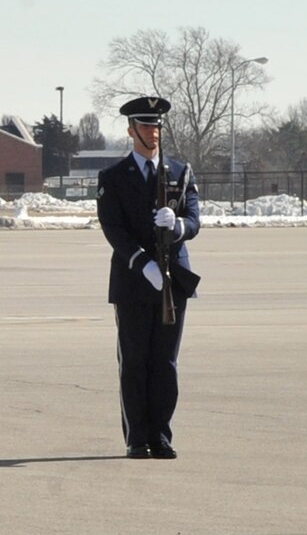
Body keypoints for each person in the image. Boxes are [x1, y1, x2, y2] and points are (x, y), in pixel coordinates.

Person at [97, 96, 201, 460]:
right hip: (133, 280)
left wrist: (178, 228)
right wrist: (143, 263)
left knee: (165, 362)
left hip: (173, 279)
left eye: (156, 126)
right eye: (144, 126)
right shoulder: (113, 177)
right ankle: (136, 436)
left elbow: (194, 219)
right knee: (135, 361)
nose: (152, 133)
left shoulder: (180, 171)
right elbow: (114, 229)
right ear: (131, 131)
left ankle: (160, 434)